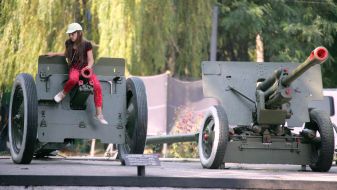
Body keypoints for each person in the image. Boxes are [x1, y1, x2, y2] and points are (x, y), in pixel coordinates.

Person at [46, 23, 108, 125]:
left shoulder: (87, 44)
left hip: (86, 69)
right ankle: (63, 93)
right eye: (69, 34)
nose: (70, 36)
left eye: (72, 34)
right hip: (75, 68)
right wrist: (54, 54)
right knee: (73, 79)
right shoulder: (68, 43)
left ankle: (99, 114)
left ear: (79, 33)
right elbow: (66, 54)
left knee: (97, 86)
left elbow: (91, 60)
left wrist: (88, 67)